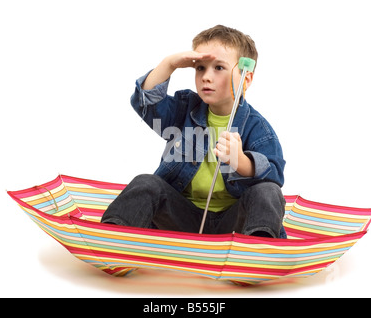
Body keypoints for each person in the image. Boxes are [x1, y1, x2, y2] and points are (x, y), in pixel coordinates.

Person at [101, 25, 286, 238]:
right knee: (146, 183)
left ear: (246, 79)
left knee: (268, 192)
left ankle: (260, 249)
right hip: (182, 219)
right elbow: (147, 104)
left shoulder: (257, 127)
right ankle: (112, 238)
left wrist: (242, 162)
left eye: (219, 68)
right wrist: (169, 64)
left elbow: (275, 174)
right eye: (200, 68)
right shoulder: (185, 109)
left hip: (234, 225)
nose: (206, 76)